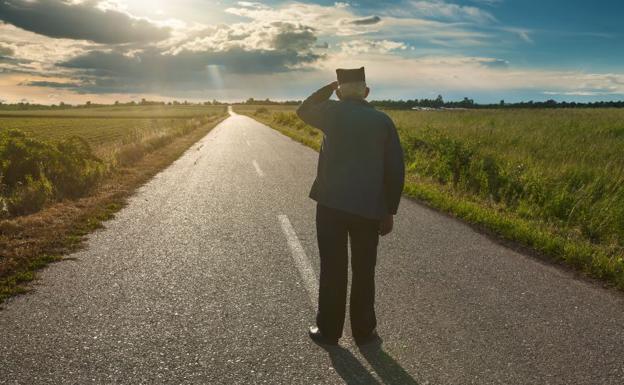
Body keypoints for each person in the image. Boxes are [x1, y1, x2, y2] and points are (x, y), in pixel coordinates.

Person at [296, 67, 405, 346]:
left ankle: (329, 331)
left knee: (333, 268)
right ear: (367, 92)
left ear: (340, 92)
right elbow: (395, 170)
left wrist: (328, 88)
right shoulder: (383, 121)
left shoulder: (331, 113)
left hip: (331, 206)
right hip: (369, 209)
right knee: (364, 269)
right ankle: (364, 331)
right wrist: (389, 211)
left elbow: (304, 109)